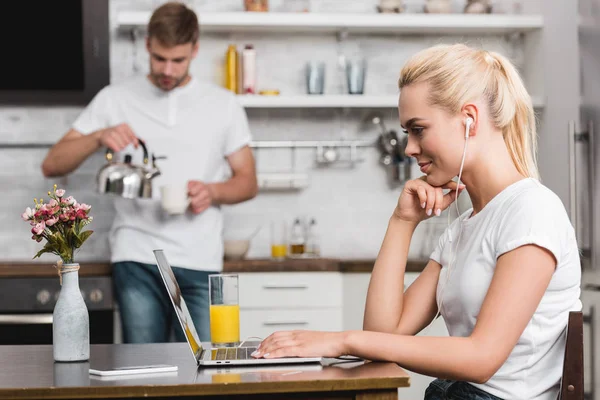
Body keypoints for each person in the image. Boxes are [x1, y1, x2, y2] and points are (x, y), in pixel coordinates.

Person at [252, 43, 582, 400]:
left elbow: (481, 358)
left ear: (469, 119)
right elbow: (384, 334)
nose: (409, 148)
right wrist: (401, 222)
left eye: (418, 129)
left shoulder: (532, 210)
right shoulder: (463, 227)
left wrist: (342, 340)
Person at [41, 2, 258, 344]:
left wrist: (213, 192)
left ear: (195, 50)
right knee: (145, 368)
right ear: (147, 45)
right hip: (137, 255)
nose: (168, 70)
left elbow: (248, 181)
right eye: (159, 59)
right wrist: (98, 136)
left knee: (207, 372)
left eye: (178, 60)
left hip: (200, 257)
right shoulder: (115, 99)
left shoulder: (223, 104)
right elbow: (53, 164)